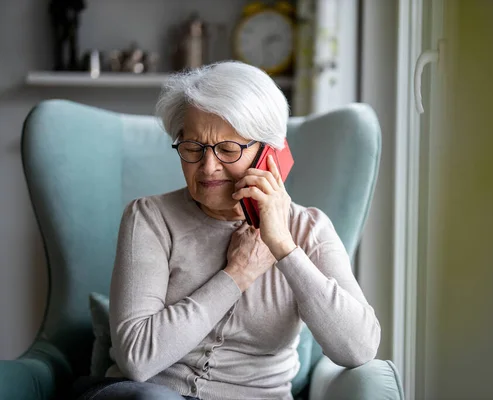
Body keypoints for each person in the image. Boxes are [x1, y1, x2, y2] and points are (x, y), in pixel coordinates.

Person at [72, 61, 380, 400]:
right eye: (192, 147)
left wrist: (283, 246)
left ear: (269, 154)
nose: (207, 166)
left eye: (228, 149)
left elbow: (358, 348)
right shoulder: (149, 218)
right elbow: (137, 359)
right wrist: (237, 274)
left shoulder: (309, 229)